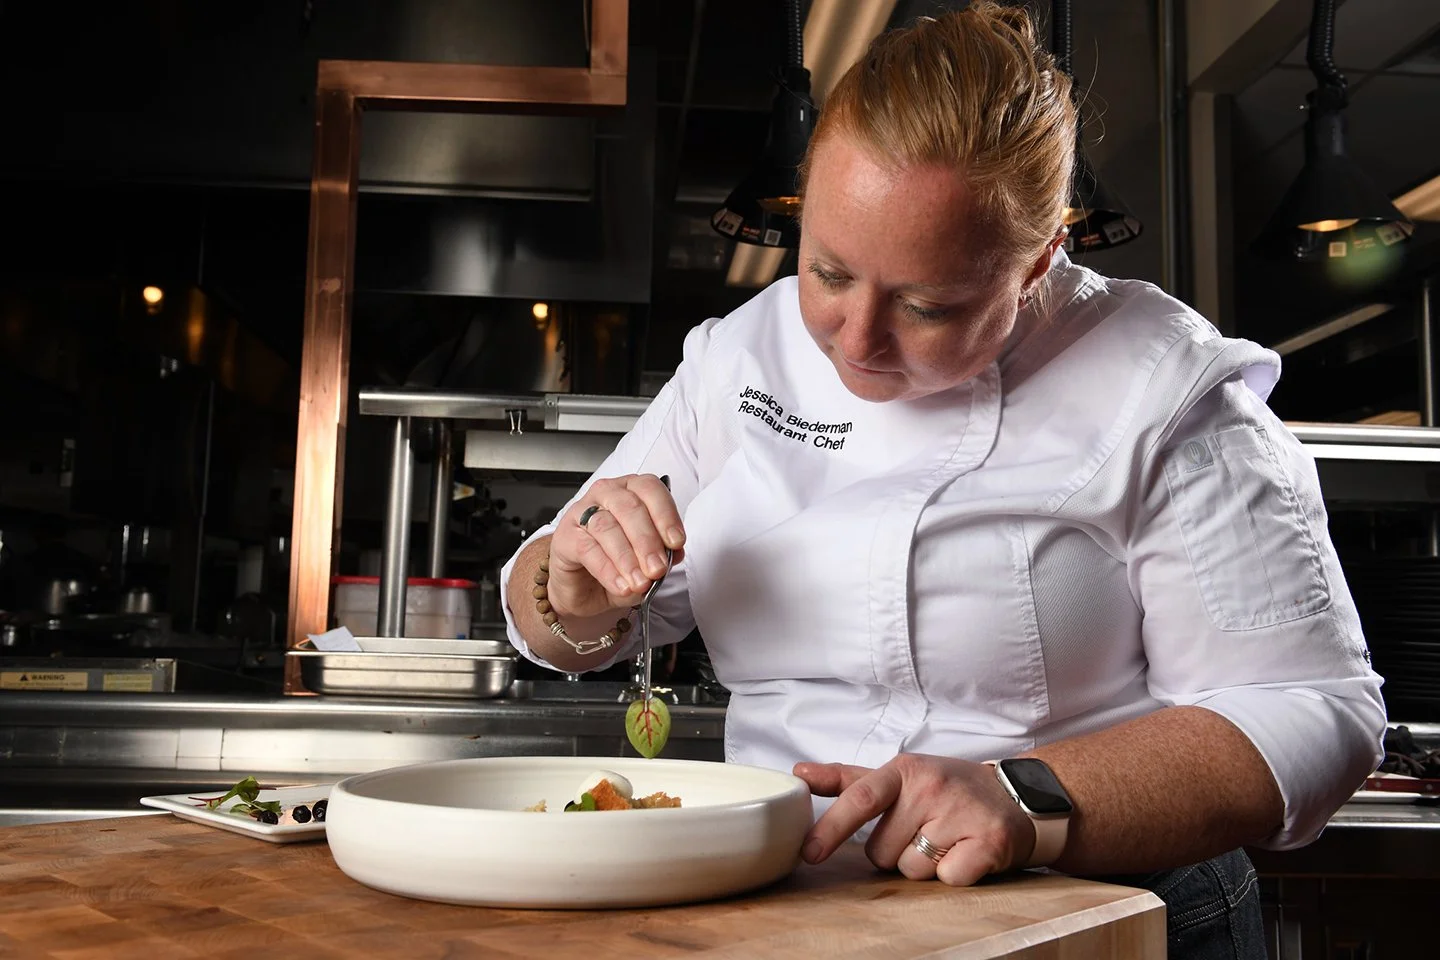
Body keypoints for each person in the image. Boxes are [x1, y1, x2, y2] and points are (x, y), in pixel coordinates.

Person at [500, 5, 1385, 957]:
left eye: (927, 305)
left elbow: (1314, 712)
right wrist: (572, 585)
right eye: (828, 273)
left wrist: (1026, 795)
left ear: (1039, 261)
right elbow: (550, 612)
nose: (857, 338)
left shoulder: (1166, 390)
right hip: (788, 909)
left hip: (1091, 909)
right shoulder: (739, 357)